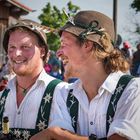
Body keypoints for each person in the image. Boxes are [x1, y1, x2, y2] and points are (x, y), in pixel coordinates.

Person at [31, 10, 140, 140]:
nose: (59, 53)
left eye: (64, 44)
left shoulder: (132, 89)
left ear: (87, 45)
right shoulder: (63, 93)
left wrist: (55, 133)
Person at [0, 19, 67, 139]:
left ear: (42, 51)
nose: (17, 54)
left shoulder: (62, 92)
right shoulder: (2, 96)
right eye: (12, 47)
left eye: (25, 47)